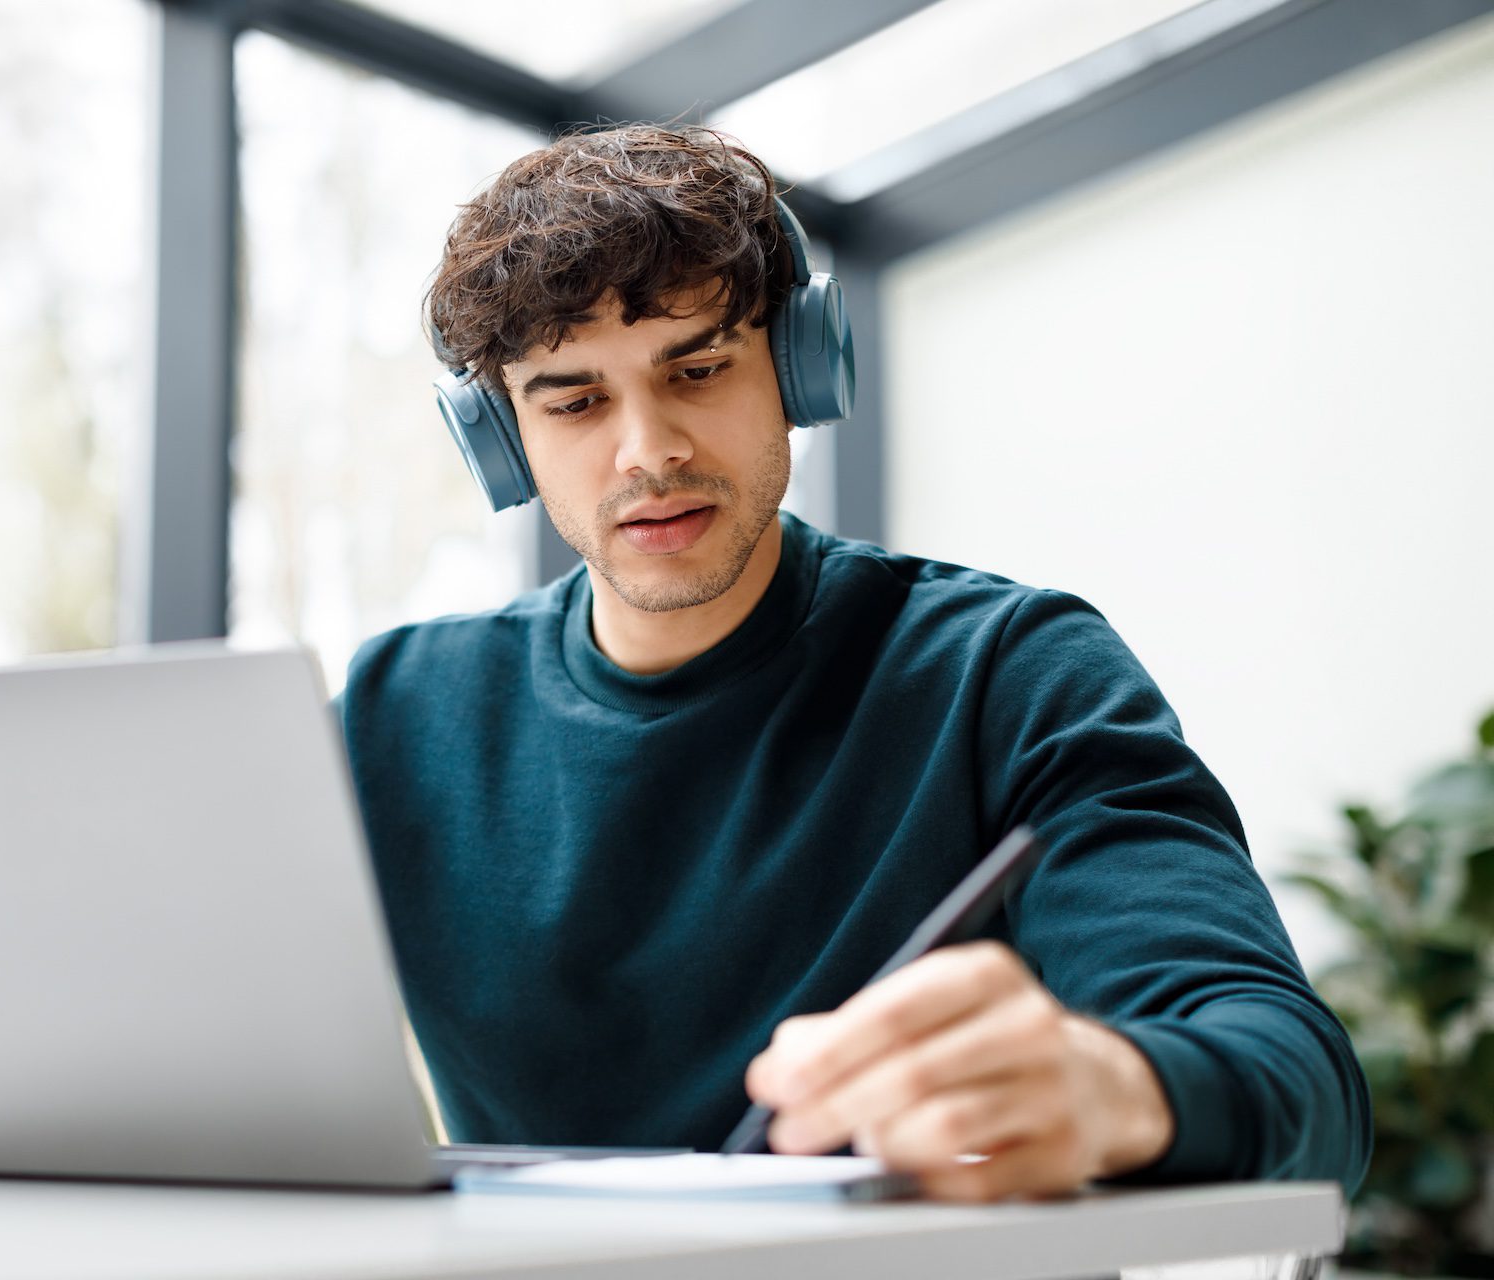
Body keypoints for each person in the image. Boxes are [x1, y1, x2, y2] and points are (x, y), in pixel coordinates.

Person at [337, 123, 1371, 1202]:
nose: (648, 450)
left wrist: (1112, 1087)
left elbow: (1300, 1079)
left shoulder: (1007, 672)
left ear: (801, 368)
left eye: (697, 368)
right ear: (501, 438)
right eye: (575, 400)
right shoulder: (389, 717)